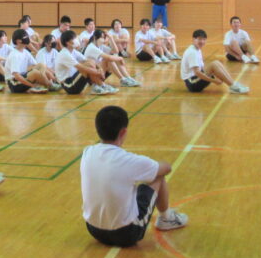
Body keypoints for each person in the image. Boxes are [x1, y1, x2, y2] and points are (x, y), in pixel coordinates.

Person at [80, 105, 188, 247]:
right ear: (123, 132)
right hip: (126, 234)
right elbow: (166, 168)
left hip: (93, 229)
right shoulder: (128, 160)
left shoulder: (87, 152)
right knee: (157, 176)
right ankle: (167, 218)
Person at [181, 30, 249, 94]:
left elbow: (201, 69)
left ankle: (233, 84)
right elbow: (197, 73)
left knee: (216, 62)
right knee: (213, 65)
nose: (202, 41)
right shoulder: (192, 52)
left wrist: (216, 74)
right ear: (193, 39)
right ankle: (233, 87)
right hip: (192, 83)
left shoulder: (196, 49)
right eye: (199, 39)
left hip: (195, 79)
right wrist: (214, 81)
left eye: (204, 39)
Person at [56, 30, 114, 95]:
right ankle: (101, 85)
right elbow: (81, 68)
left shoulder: (73, 51)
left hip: (75, 80)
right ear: (68, 43)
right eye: (74, 38)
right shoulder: (65, 54)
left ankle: (99, 86)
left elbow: (88, 61)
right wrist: (97, 72)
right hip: (69, 85)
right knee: (87, 66)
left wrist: (100, 68)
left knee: (90, 62)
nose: (76, 40)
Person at [6, 29, 56, 93]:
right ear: (18, 41)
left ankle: (51, 82)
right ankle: (49, 85)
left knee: (41, 65)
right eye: (25, 37)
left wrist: (51, 75)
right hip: (14, 84)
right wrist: (32, 86)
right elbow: (17, 76)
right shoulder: (14, 55)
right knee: (35, 72)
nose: (27, 39)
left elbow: (37, 66)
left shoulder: (25, 52)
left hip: (23, 76)